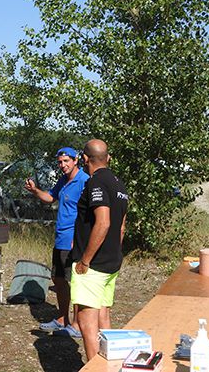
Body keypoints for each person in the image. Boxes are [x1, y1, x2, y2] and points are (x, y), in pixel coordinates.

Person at [70, 139, 128, 361]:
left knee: (86, 321)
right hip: (112, 262)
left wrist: (85, 260)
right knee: (104, 315)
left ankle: (95, 366)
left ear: (85, 159)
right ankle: (110, 363)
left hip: (93, 266)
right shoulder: (119, 184)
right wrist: (114, 251)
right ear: (108, 158)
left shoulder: (95, 183)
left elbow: (103, 223)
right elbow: (121, 227)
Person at [25, 147, 89, 338]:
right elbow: (50, 197)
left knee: (76, 282)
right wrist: (35, 190)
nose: (62, 165)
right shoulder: (63, 180)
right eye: (60, 162)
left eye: (66, 161)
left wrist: (78, 240)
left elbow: (88, 214)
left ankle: (77, 326)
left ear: (75, 160)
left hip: (73, 240)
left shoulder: (84, 181)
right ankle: (63, 318)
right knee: (58, 279)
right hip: (60, 238)